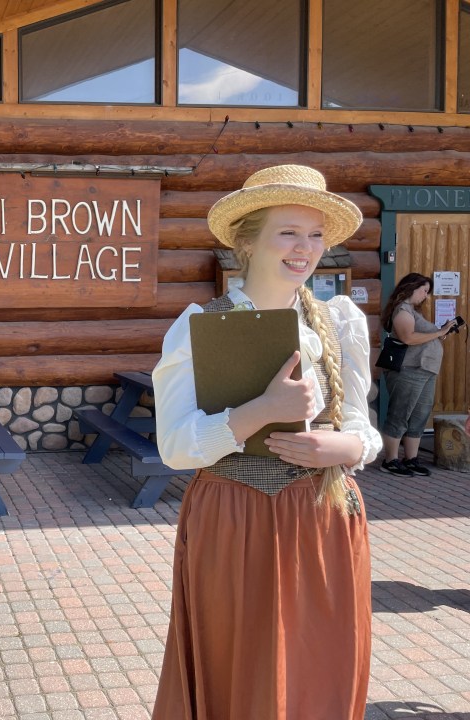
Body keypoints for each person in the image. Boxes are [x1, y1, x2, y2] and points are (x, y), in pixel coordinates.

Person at [150, 165, 381, 720]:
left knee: (319, 670)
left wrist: (346, 450)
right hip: (235, 518)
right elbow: (174, 447)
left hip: (324, 516)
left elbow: (362, 425)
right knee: (241, 668)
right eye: (288, 232)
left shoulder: (340, 321)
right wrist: (261, 412)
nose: (306, 248)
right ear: (248, 242)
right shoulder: (201, 325)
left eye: (315, 234)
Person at [378, 273, 456, 477]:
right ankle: (390, 460)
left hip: (426, 370)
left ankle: (410, 459)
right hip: (409, 369)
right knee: (400, 414)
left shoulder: (413, 311)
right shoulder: (402, 310)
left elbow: (422, 337)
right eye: (424, 291)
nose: (426, 296)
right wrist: (439, 332)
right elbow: (408, 338)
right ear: (411, 288)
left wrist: (439, 333)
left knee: (419, 416)